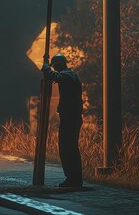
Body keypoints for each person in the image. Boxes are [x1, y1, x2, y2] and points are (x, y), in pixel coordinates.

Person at [42, 53, 83, 188]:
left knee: (67, 148)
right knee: (71, 148)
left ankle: (72, 179)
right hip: (72, 117)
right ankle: (74, 178)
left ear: (58, 65)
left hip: (70, 118)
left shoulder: (67, 76)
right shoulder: (71, 75)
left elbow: (53, 76)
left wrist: (46, 67)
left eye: (55, 66)